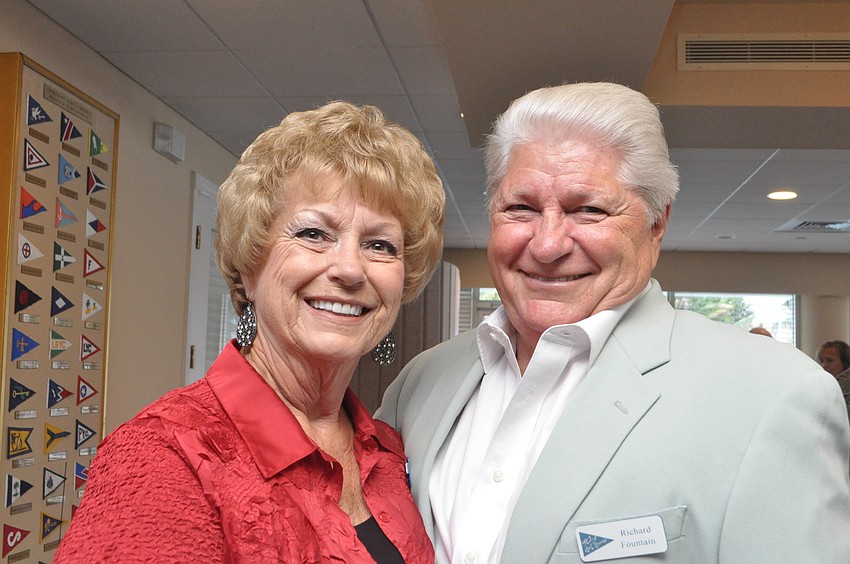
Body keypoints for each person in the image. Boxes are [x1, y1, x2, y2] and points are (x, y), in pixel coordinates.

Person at [377, 82, 850, 563]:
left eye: (589, 210)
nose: (547, 245)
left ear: (657, 224)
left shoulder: (773, 395)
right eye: (521, 207)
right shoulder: (420, 382)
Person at [55, 101, 445, 562]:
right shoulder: (169, 455)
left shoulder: (389, 450)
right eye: (314, 234)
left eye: (380, 245)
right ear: (250, 266)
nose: (349, 269)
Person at [818, 340, 850, 420]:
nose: (824, 365)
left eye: (830, 360)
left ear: (845, 361)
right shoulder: (822, 384)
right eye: (822, 361)